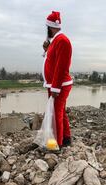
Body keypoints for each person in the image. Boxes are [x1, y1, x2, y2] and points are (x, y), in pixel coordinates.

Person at [42, 11, 73, 148]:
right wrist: (46, 49)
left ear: (50, 27)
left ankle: (56, 144)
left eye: (47, 27)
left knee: (56, 114)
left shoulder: (62, 41)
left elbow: (61, 67)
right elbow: (52, 60)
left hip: (59, 85)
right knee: (60, 112)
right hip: (55, 84)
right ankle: (66, 138)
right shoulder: (56, 41)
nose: (46, 30)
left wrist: (55, 88)